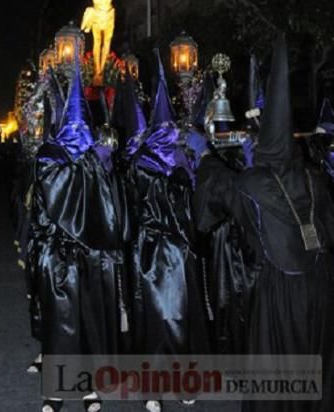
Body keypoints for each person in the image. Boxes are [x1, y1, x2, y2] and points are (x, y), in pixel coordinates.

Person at [189, 33, 334, 411]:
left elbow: (214, 201)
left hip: (278, 292)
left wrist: (204, 154)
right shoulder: (315, 177)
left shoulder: (254, 182)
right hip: (320, 287)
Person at [27, 53, 128, 412]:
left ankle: (89, 389)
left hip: (87, 259)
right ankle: (56, 392)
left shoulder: (94, 168)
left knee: (88, 325)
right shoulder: (55, 164)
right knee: (61, 327)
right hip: (60, 258)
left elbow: (111, 214)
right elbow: (44, 209)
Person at [123, 54, 209, 412]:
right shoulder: (164, 171)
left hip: (161, 252)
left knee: (168, 319)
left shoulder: (159, 170)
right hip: (162, 252)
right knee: (163, 320)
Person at [48, 0, 153, 82]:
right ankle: (98, 70)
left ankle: (101, 70)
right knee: (97, 42)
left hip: (108, 14)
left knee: (106, 43)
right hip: (97, 14)